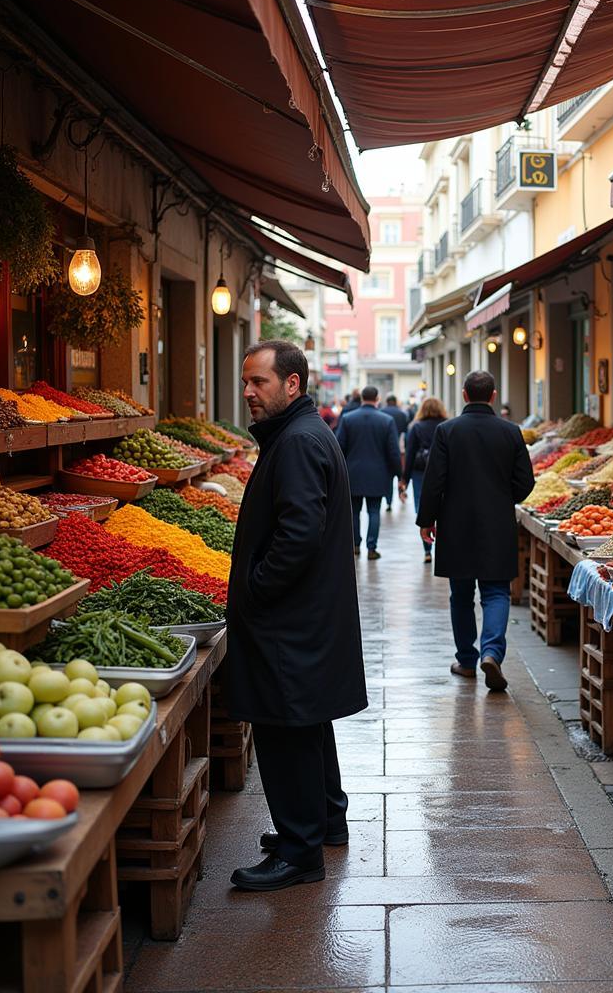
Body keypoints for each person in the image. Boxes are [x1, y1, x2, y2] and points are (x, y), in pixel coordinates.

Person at [225, 339, 367, 892]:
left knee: (284, 726)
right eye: (246, 382)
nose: (247, 393)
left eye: (258, 382)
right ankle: (324, 820)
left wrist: (256, 591)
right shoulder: (300, 434)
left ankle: (299, 849)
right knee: (308, 720)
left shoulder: (299, 442)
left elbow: (299, 534)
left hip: (289, 619)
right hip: (304, 614)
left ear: (292, 385)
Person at [416, 370, 534, 690]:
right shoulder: (511, 432)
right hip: (497, 524)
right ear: (493, 396)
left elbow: (434, 482)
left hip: (456, 525)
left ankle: (466, 661)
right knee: (496, 592)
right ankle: (492, 652)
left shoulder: (447, 431)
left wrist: (427, 520)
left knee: (461, 595)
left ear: (465, 395)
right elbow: (526, 483)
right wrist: (502, 497)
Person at [337, 385, 401, 559]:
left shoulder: (348, 418)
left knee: (354, 512)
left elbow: (339, 446)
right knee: (374, 511)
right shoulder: (386, 421)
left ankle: (355, 545)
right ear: (377, 398)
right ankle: (371, 547)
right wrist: (399, 475)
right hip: (378, 474)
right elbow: (393, 451)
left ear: (362, 398)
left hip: (353, 473)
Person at [400, 396, 448, 564]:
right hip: (444, 472)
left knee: (422, 505)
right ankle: (442, 546)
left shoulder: (416, 427)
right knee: (443, 506)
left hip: (420, 471)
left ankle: (427, 550)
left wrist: (404, 478)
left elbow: (410, 453)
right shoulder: (447, 426)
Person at [380, 395, 408, 511]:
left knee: (388, 476)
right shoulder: (402, 414)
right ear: (395, 402)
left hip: (385, 449)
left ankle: (389, 500)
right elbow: (405, 431)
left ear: (387, 402)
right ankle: (401, 493)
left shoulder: (381, 412)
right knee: (399, 473)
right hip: (400, 447)